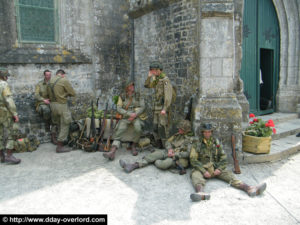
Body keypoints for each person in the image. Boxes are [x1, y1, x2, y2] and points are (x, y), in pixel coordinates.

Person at [189, 123, 267, 202]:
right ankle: (200, 193)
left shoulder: (215, 142)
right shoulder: (197, 144)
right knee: (195, 176)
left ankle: (249, 188)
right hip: (202, 168)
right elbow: (193, 159)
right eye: (205, 132)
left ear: (211, 132)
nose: (207, 134)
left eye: (209, 132)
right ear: (202, 133)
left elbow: (223, 157)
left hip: (215, 168)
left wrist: (219, 169)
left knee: (230, 176)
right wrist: (203, 171)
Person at [119, 120, 195, 174]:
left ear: (186, 130)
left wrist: (175, 155)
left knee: (162, 164)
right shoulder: (178, 135)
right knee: (153, 155)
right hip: (169, 152)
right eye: (179, 128)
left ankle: (154, 161)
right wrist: (169, 149)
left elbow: (188, 154)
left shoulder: (191, 140)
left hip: (178, 158)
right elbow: (168, 142)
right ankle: (133, 165)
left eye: (181, 129)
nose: (179, 130)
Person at [103, 80, 146, 160]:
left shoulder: (138, 95)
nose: (132, 87)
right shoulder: (122, 96)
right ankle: (113, 151)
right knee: (119, 130)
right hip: (126, 117)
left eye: (133, 85)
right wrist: (129, 114)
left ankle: (133, 145)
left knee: (138, 128)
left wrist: (135, 114)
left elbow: (142, 107)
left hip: (136, 117)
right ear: (127, 87)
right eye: (130, 86)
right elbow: (119, 108)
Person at [144, 61, 173, 148]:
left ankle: (166, 147)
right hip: (156, 107)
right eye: (151, 70)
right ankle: (159, 145)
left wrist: (165, 108)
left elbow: (168, 95)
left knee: (163, 127)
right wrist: (149, 77)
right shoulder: (156, 79)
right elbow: (147, 85)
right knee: (155, 126)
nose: (152, 72)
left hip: (162, 107)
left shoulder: (165, 80)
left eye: (153, 70)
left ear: (158, 70)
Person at [47, 69, 76, 153]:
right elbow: (72, 93)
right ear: (63, 74)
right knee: (65, 123)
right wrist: (65, 94)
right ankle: (59, 146)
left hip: (52, 105)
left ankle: (57, 140)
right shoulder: (64, 80)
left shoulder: (50, 81)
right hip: (61, 105)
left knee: (58, 123)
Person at [0, 67, 21, 164]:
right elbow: (9, 100)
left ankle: (1, 156)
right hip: (3, 111)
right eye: (6, 76)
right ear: (3, 76)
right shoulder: (3, 84)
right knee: (11, 132)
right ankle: (9, 155)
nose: (7, 78)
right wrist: (15, 114)